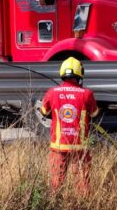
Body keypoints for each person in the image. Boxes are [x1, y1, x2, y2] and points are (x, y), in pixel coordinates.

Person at [40, 57, 99, 194]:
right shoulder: (87, 94)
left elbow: (44, 111)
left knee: (56, 182)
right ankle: (83, 209)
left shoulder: (52, 92)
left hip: (58, 145)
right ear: (80, 75)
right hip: (80, 145)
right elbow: (95, 113)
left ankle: (54, 208)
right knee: (82, 183)